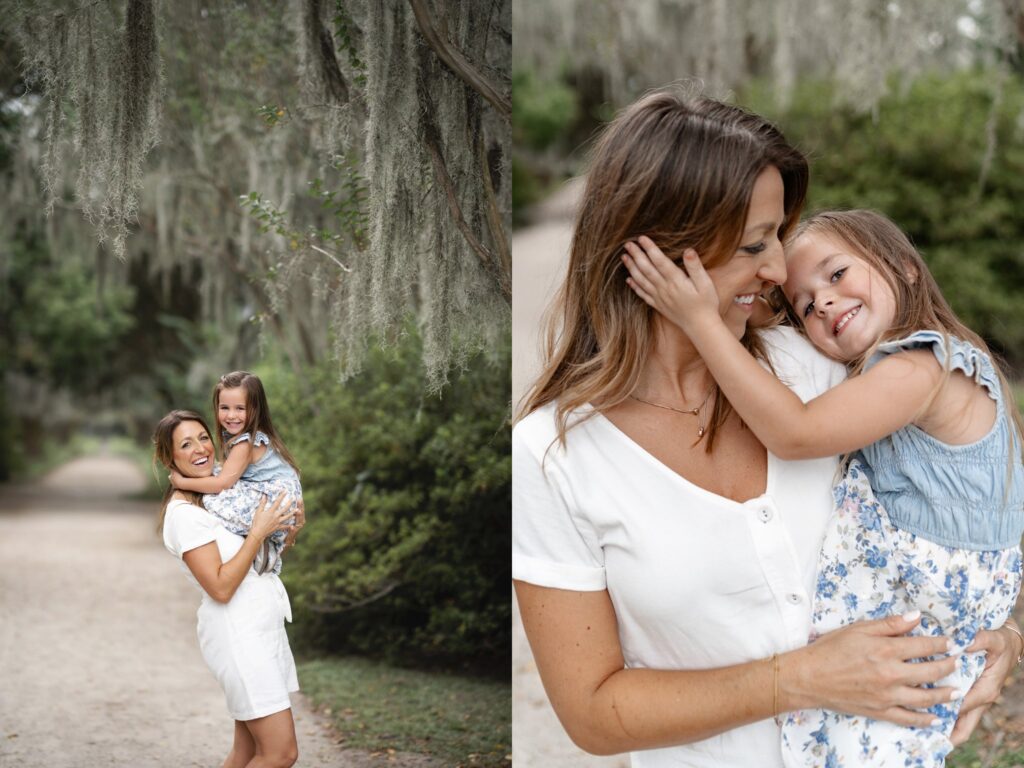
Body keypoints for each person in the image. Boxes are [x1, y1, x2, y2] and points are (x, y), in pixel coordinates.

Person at [512, 85, 1023, 768]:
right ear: (664, 251)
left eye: (779, 236)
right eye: (756, 244)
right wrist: (800, 679)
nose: (782, 272)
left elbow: (964, 478)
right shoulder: (554, 455)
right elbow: (593, 715)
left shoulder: (820, 365)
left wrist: (998, 630)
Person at [621, 208, 1024, 766]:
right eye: (807, 305)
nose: (825, 302)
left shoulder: (923, 368)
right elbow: (761, 317)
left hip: (920, 624)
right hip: (924, 620)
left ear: (906, 267)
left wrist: (698, 321)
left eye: (836, 275)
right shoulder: (884, 370)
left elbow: (796, 432)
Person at [156, 409, 302, 768]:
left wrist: (283, 531)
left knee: (247, 752)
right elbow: (221, 587)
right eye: (185, 445)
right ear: (169, 459)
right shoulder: (184, 516)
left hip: (259, 629)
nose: (200, 449)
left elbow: (252, 554)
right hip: (240, 635)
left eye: (203, 438)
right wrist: (256, 532)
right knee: (280, 753)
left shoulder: (216, 499)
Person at [170, 371, 302, 576]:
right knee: (216, 477)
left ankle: (257, 548)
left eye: (240, 408)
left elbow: (222, 484)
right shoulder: (246, 439)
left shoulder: (246, 442)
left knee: (213, 497)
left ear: (255, 409)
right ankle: (262, 547)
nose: (231, 415)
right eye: (224, 408)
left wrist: (182, 482)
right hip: (278, 498)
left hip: (275, 498)